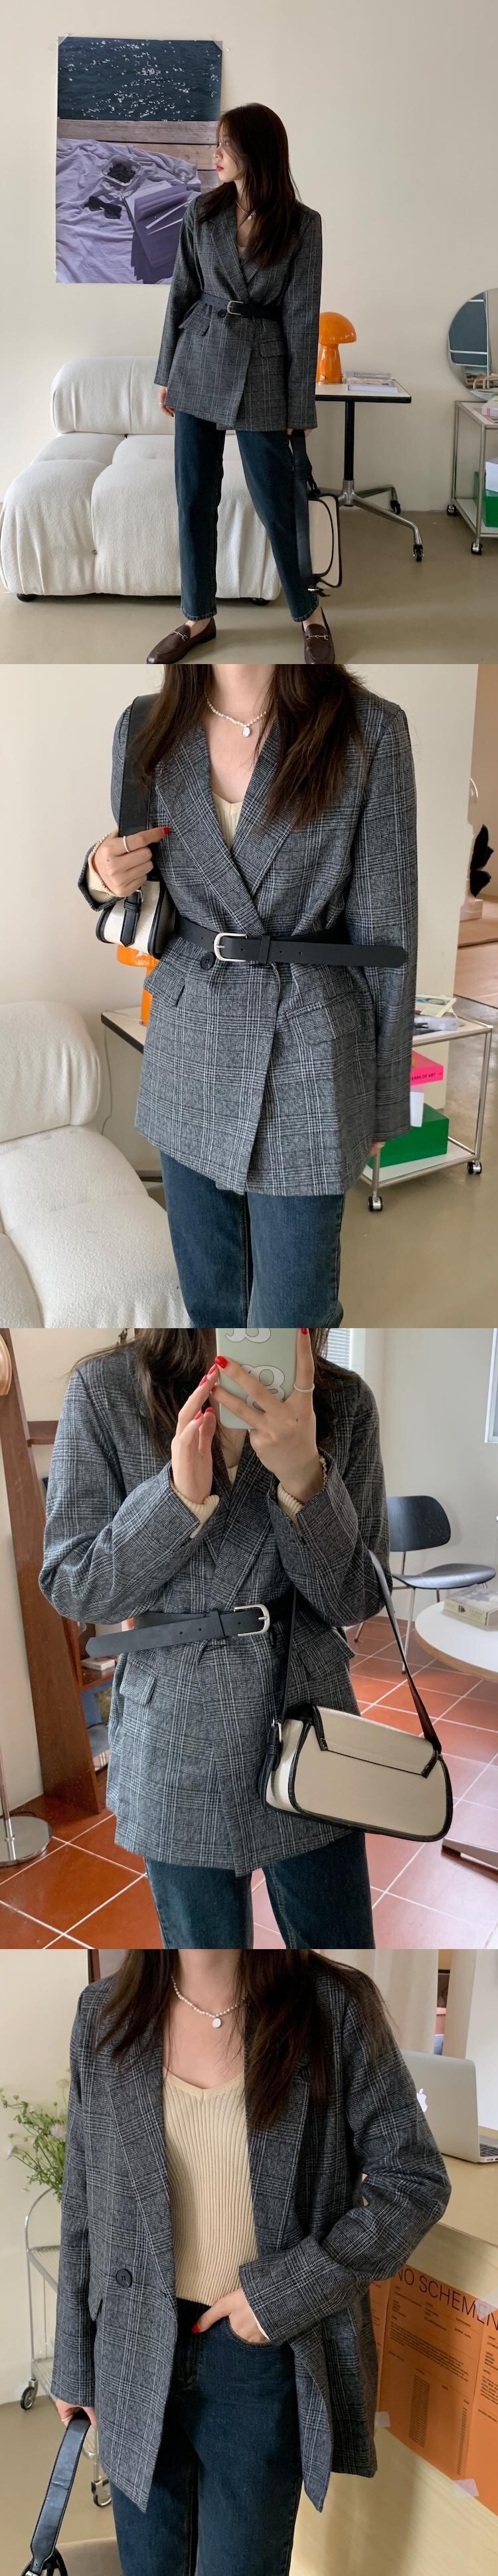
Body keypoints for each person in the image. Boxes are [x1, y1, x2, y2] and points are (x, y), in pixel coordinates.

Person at [52, 1947, 451, 2576]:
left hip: (258, 2356)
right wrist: (73, 2363)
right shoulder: (104, 2013)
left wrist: (279, 2297)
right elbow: (82, 2200)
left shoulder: (333, 2007)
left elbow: (414, 2181)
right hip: (131, 2347)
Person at [81, 661, 417, 1324]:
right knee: (209, 1303)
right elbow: (141, 890)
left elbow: (387, 939)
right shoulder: (145, 725)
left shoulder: (368, 730)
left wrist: (383, 1103)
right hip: (189, 1042)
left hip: (311, 1051)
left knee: (294, 1311)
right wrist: (98, 875)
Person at [41, 1329, 389, 1949]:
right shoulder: (108, 1390)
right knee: (206, 1971)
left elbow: (357, 1597)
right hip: (174, 1732)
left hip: (308, 1720)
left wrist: (305, 1479)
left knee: (337, 1965)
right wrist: (175, 1499)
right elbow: (75, 1586)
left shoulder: (343, 1400)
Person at [147, 102, 331, 665]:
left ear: (256, 151)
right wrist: (167, 372)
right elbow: (181, 293)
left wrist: (300, 405)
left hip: (264, 367)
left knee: (277, 500)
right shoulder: (202, 211)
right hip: (199, 357)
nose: (216, 154)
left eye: (225, 144)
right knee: (194, 495)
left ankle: (310, 613)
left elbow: (302, 320)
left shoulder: (303, 225)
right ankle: (197, 617)